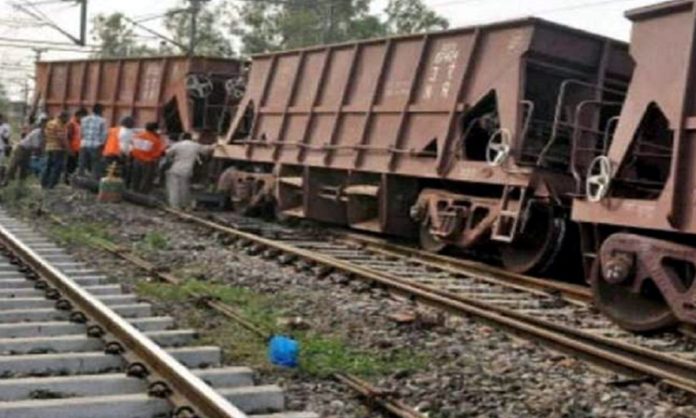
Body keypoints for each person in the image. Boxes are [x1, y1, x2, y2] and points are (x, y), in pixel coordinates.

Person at [164, 132, 214, 210]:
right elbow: (206, 150)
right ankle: (185, 205)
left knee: (174, 188)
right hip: (187, 170)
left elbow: (167, 153)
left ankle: (174, 206)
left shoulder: (177, 145)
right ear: (190, 138)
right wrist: (215, 145)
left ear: (182, 137)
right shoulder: (195, 145)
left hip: (175, 169)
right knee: (184, 188)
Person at [5, 116, 46, 184]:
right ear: (41, 124)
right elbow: (36, 147)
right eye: (44, 124)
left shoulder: (42, 133)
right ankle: (7, 181)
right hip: (22, 148)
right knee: (14, 165)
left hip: (28, 150)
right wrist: (42, 151)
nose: (45, 126)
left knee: (24, 167)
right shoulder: (37, 132)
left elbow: (38, 147)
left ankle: (21, 183)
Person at [130, 122, 165, 194]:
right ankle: (143, 194)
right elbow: (158, 154)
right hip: (147, 162)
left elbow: (133, 146)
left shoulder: (138, 135)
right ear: (155, 129)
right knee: (146, 179)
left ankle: (134, 192)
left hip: (136, 160)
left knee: (136, 177)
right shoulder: (155, 140)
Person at [41, 111, 70, 190]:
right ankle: (52, 185)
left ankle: (44, 184)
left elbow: (45, 134)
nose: (68, 120)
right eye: (67, 118)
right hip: (57, 148)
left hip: (49, 147)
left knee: (48, 166)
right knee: (56, 167)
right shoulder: (59, 124)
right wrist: (68, 149)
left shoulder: (50, 123)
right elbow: (62, 138)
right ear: (63, 117)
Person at [78, 103, 107, 180]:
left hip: (84, 144)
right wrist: (102, 145)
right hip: (95, 146)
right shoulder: (102, 121)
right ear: (100, 111)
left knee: (82, 164)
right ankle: (93, 181)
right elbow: (103, 135)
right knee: (96, 165)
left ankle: (79, 180)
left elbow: (81, 133)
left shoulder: (84, 119)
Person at [65, 108, 88, 184]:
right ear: (78, 115)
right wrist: (69, 149)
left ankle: (73, 181)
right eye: (83, 116)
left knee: (76, 166)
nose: (84, 118)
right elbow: (67, 137)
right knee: (70, 166)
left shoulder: (80, 124)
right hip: (73, 149)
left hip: (79, 149)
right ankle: (67, 181)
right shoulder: (71, 124)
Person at [0, 114, 12, 183]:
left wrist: (8, 146)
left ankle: (2, 180)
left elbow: (6, 138)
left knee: (2, 164)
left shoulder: (6, 127)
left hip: (2, 148)